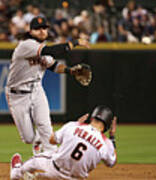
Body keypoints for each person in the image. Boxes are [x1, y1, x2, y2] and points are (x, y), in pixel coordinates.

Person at [5, 16, 89, 155]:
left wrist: (70, 71)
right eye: (38, 29)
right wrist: (75, 42)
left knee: (45, 126)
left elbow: (54, 65)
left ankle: (52, 159)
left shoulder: (42, 48)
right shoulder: (26, 45)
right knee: (28, 138)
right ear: (31, 31)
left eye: (44, 28)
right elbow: (52, 51)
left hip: (37, 90)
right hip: (17, 95)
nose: (42, 31)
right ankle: (37, 140)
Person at [10, 105, 117, 180]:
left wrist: (76, 123)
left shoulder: (74, 126)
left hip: (54, 170)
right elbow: (111, 163)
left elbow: (52, 140)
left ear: (92, 117)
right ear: (107, 125)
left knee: (41, 158)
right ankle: (40, 178)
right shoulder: (106, 144)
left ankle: (16, 172)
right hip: (76, 178)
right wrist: (112, 137)